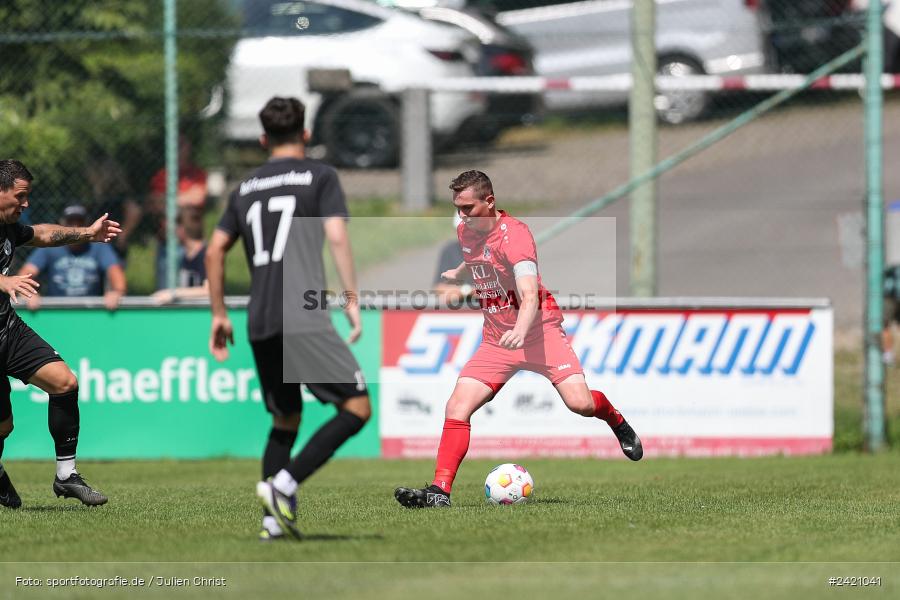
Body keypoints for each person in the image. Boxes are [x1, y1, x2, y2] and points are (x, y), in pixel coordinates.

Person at [394, 170, 643, 509]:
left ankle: (616, 420)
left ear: (490, 202)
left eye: (468, 207)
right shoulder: (466, 230)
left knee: (581, 404)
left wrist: (521, 331)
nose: (462, 215)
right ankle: (440, 492)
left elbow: (529, 295)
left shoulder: (517, 237)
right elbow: (478, 259)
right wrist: (459, 273)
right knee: (457, 407)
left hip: (538, 332)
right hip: (498, 340)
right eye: (458, 208)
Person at [206, 97, 371, 540]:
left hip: (260, 318)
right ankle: (284, 484)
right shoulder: (320, 176)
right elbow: (336, 234)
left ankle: (270, 524)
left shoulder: (244, 189)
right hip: (302, 313)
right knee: (356, 407)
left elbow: (213, 250)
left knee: (285, 419)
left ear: (262, 139)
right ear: (306, 133)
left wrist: (219, 314)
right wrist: (351, 296)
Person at [0, 159, 121, 510]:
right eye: (20, 196)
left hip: (7, 330)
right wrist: (3, 280)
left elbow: (41, 233)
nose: (25, 204)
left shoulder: (9, 226)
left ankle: (66, 475)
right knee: (3, 428)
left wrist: (87, 234)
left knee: (65, 382)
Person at [18, 204, 126, 311]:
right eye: (71, 222)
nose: (76, 226)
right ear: (62, 224)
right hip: (56, 311)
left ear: (87, 224)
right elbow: (26, 272)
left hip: (91, 311)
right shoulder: (49, 246)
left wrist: (116, 292)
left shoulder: (99, 246)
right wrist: (29, 294)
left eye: (80, 222)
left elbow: (115, 271)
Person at [152, 208, 209, 304]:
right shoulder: (185, 256)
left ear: (181, 230)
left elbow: (209, 290)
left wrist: (173, 293)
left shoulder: (205, 255)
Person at [433, 214, 474, 303]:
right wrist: (467, 290)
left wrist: (462, 292)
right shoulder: (449, 251)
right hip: (455, 311)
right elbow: (439, 288)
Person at [882, 264, 900, 365]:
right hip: (892, 295)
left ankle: (888, 355)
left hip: (890, 296)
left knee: (885, 325)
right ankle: (888, 355)